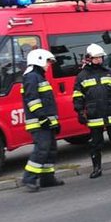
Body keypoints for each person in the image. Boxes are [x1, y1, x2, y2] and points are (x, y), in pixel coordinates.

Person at [72, 43, 111, 178]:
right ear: (89, 58)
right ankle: (97, 168)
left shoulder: (110, 72)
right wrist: (79, 112)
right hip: (94, 115)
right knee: (95, 144)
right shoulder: (82, 76)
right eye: (96, 58)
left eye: (100, 58)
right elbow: (78, 96)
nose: (99, 60)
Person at [21, 49, 64, 192]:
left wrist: (54, 122)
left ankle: (47, 178)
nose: (49, 65)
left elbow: (48, 103)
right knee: (41, 150)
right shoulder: (32, 77)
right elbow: (32, 99)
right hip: (39, 122)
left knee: (50, 150)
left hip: (46, 121)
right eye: (47, 62)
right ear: (38, 60)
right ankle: (29, 178)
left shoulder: (39, 77)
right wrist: (42, 117)